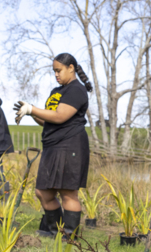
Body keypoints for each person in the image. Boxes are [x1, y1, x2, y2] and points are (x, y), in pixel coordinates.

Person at [12, 53, 92, 238]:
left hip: (70, 145)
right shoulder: (57, 91)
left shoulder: (76, 90)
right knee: (43, 192)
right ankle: (56, 231)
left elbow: (60, 116)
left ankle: (70, 235)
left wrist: (32, 108)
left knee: (68, 193)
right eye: (54, 71)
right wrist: (31, 113)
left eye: (59, 70)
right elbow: (48, 120)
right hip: (52, 146)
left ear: (71, 68)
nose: (56, 74)